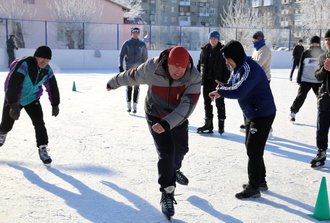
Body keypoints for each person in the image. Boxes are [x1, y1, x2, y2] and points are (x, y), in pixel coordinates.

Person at [107, 46, 201, 219]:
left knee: (181, 149)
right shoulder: (153, 68)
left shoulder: (193, 76)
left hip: (177, 116)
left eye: (182, 67)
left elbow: (187, 106)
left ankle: (174, 169)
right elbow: (131, 75)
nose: (179, 71)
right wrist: (113, 82)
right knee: (166, 152)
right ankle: (167, 191)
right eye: (175, 66)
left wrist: (168, 123)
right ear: (168, 63)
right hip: (155, 113)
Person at [209, 40, 276, 199]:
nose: (227, 62)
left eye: (228, 58)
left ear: (236, 56)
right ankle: (260, 181)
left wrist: (223, 90)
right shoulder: (238, 68)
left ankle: (254, 187)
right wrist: (221, 89)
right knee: (252, 148)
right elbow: (232, 84)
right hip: (252, 113)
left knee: (253, 148)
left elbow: (238, 90)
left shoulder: (248, 68)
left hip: (262, 114)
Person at [0, 46, 60, 165]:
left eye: (47, 60)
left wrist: (55, 104)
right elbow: (13, 83)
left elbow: (52, 87)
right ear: (35, 57)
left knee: (39, 123)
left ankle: (43, 148)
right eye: (41, 58)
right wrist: (13, 104)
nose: (44, 62)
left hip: (32, 99)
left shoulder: (47, 70)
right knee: (7, 125)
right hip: (15, 98)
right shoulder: (25, 64)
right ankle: (2, 132)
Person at [196, 31, 230, 134]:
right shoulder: (204, 50)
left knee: (219, 103)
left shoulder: (224, 51)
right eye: (211, 38)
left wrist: (223, 82)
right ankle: (208, 124)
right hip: (206, 81)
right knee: (207, 103)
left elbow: (227, 69)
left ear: (218, 39)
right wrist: (197, 77)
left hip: (218, 82)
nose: (213, 40)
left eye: (215, 38)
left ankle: (221, 125)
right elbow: (199, 65)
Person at [240, 31, 272, 133]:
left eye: (256, 39)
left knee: (262, 105)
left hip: (263, 80)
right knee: (250, 103)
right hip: (254, 80)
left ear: (261, 39)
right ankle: (249, 123)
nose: (254, 42)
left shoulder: (265, 50)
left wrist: (247, 62)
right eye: (253, 40)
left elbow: (258, 64)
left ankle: (268, 128)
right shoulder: (256, 49)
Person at [289, 36, 323, 122]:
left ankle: (325, 114)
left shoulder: (323, 53)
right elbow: (301, 66)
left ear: (319, 43)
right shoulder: (306, 53)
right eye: (313, 43)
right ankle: (293, 113)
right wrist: (299, 78)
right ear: (310, 44)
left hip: (318, 81)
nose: (315, 44)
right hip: (305, 80)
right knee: (300, 97)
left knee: (322, 98)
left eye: (316, 43)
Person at [311, 30, 330, 168]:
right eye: (326, 40)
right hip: (325, 98)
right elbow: (317, 76)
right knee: (321, 128)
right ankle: (321, 152)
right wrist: (324, 69)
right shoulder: (323, 56)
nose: (328, 42)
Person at [119, 27, 148, 113]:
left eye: (137, 33)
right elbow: (121, 55)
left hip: (138, 70)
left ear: (139, 34)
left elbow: (145, 58)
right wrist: (120, 66)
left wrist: (144, 69)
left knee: (136, 87)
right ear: (131, 33)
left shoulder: (142, 44)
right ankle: (128, 105)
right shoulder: (127, 43)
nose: (135, 34)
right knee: (129, 87)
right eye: (133, 32)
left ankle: (135, 106)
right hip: (129, 69)